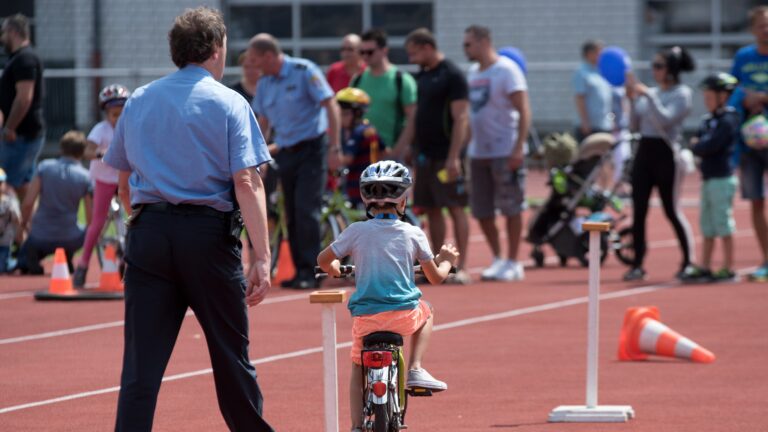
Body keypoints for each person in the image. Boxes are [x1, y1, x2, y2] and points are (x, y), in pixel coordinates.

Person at [103, 8, 274, 431]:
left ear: (175, 51)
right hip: (207, 237)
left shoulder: (140, 99)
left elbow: (123, 182)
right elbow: (247, 182)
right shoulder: (231, 102)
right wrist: (262, 257)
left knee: (141, 368)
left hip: (149, 233)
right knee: (231, 359)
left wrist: (143, 224)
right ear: (216, 50)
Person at [316, 160, 458, 432]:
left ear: (366, 199)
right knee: (427, 309)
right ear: (403, 201)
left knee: (358, 366)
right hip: (404, 316)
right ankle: (415, 367)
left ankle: (357, 425)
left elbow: (323, 260)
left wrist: (334, 269)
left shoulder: (355, 232)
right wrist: (448, 261)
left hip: (366, 318)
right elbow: (435, 277)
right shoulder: (414, 233)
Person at [249, 32, 342, 289]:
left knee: (305, 210)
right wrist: (259, 156)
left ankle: (312, 272)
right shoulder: (266, 83)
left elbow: (330, 104)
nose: (253, 66)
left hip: (312, 149)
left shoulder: (303, 71)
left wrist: (335, 146)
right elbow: (263, 122)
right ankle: (301, 270)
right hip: (286, 152)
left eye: (256, 60)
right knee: (290, 214)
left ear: (269, 55)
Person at [463, 25, 531, 281]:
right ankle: (498, 258)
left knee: (511, 207)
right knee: (481, 210)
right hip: (478, 152)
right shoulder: (472, 73)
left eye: (468, 44)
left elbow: (524, 110)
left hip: (505, 149)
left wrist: (518, 148)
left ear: (482, 42)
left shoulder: (507, 70)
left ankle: (514, 261)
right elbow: (471, 115)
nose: (465, 49)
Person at [624, 46, 696, 282]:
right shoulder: (651, 93)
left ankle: (688, 261)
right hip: (644, 152)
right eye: (653, 66)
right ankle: (637, 263)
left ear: (672, 69)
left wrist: (649, 96)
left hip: (666, 155)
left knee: (671, 209)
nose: (654, 71)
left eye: (659, 66)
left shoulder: (682, 93)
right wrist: (632, 100)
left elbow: (666, 119)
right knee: (639, 210)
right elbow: (634, 124)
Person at [405, 28, 471, 283]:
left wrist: (454, 156)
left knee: (455, 207)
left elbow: (461, 118)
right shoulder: (422, 75)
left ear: (427, 48)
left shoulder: (452, 75)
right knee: (432, 209)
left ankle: (461, 266)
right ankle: (439, 267)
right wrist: (412, 145)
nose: (411, 59)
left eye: (414, 53)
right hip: (425, 155)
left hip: (446, 155)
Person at [72, 84, 130, 287]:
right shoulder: (101, 130)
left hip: (125, 178)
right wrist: (102, 154)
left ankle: (130, 259)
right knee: (97, 222)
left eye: (122, 114)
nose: (118, 118)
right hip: (105, 179)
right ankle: (83, 265)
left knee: (134, 217)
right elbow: (87, 152)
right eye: (114, 114)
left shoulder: (131, 127)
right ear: (106, 113)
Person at [686, 73, 740, 282]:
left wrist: (697, 146)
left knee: (723, 223)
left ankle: (728, 267)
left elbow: (710, 145)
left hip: (722, 178)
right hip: (707, 178)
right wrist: (699, 146)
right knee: (707, 225)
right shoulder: (708, 120)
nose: (706, 102)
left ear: (723, 97)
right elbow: (700, 143)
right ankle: (705, 265)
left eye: (710, 97)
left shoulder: (729, 119)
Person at [17, 131, 92, 275]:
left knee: (30, 246)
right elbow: (91, 218)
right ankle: (67, 256)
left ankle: (30, 259)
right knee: (83, 229)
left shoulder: (44, 168)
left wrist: (23, 226)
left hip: (41, 236)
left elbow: (28, 203)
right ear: (82, 152)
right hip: (71, 238)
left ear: (61, 149)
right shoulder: (85, 177)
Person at [729, 5, 768, 281]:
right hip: (751, 142)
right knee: (756, 202)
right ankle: (766, 258)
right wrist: (745, 97)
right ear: (753, 29)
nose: (765, 30)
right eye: (761, 25)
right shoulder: (743, 57)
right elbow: (732, 88)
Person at [0, 14, 45, 205]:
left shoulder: (24, 59)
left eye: (3, 32)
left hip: (21, 135)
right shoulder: (19, 58)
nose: (2, 38)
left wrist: (10, 127)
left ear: (13, 32)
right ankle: (26, 230)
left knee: (6, 183)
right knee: (23, 185)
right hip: (22, 135)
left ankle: (11, 229)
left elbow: (24, 97)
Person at [353, 29, 417, 154]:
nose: (365, 56)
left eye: (370, 52)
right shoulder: (357, 80)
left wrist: (397, 151)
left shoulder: (401, 80)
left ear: (385, 50)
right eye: (362, 52)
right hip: (361, 156)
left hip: (391, 155)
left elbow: (413, 119)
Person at [337, 87, 380, 207]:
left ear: (357, 113)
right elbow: (384, 151)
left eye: (344, 114)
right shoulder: (370, 128)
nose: (340, 118)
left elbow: (347, 159)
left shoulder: (357, 133)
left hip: (359, 184)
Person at [573, 40, 613, 142]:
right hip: (590, 126)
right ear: (589, 54)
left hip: (604, 124)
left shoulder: (602, 71)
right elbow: (579, 98)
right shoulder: (581, 72)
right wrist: (585, 122)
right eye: (600, 52)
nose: (603, 56)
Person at [0, 168, 20, 273]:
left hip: (4, 241)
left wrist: (19, 234)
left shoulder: (10, 202)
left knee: (2, 267)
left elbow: (17, 219)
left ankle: (12, 263)